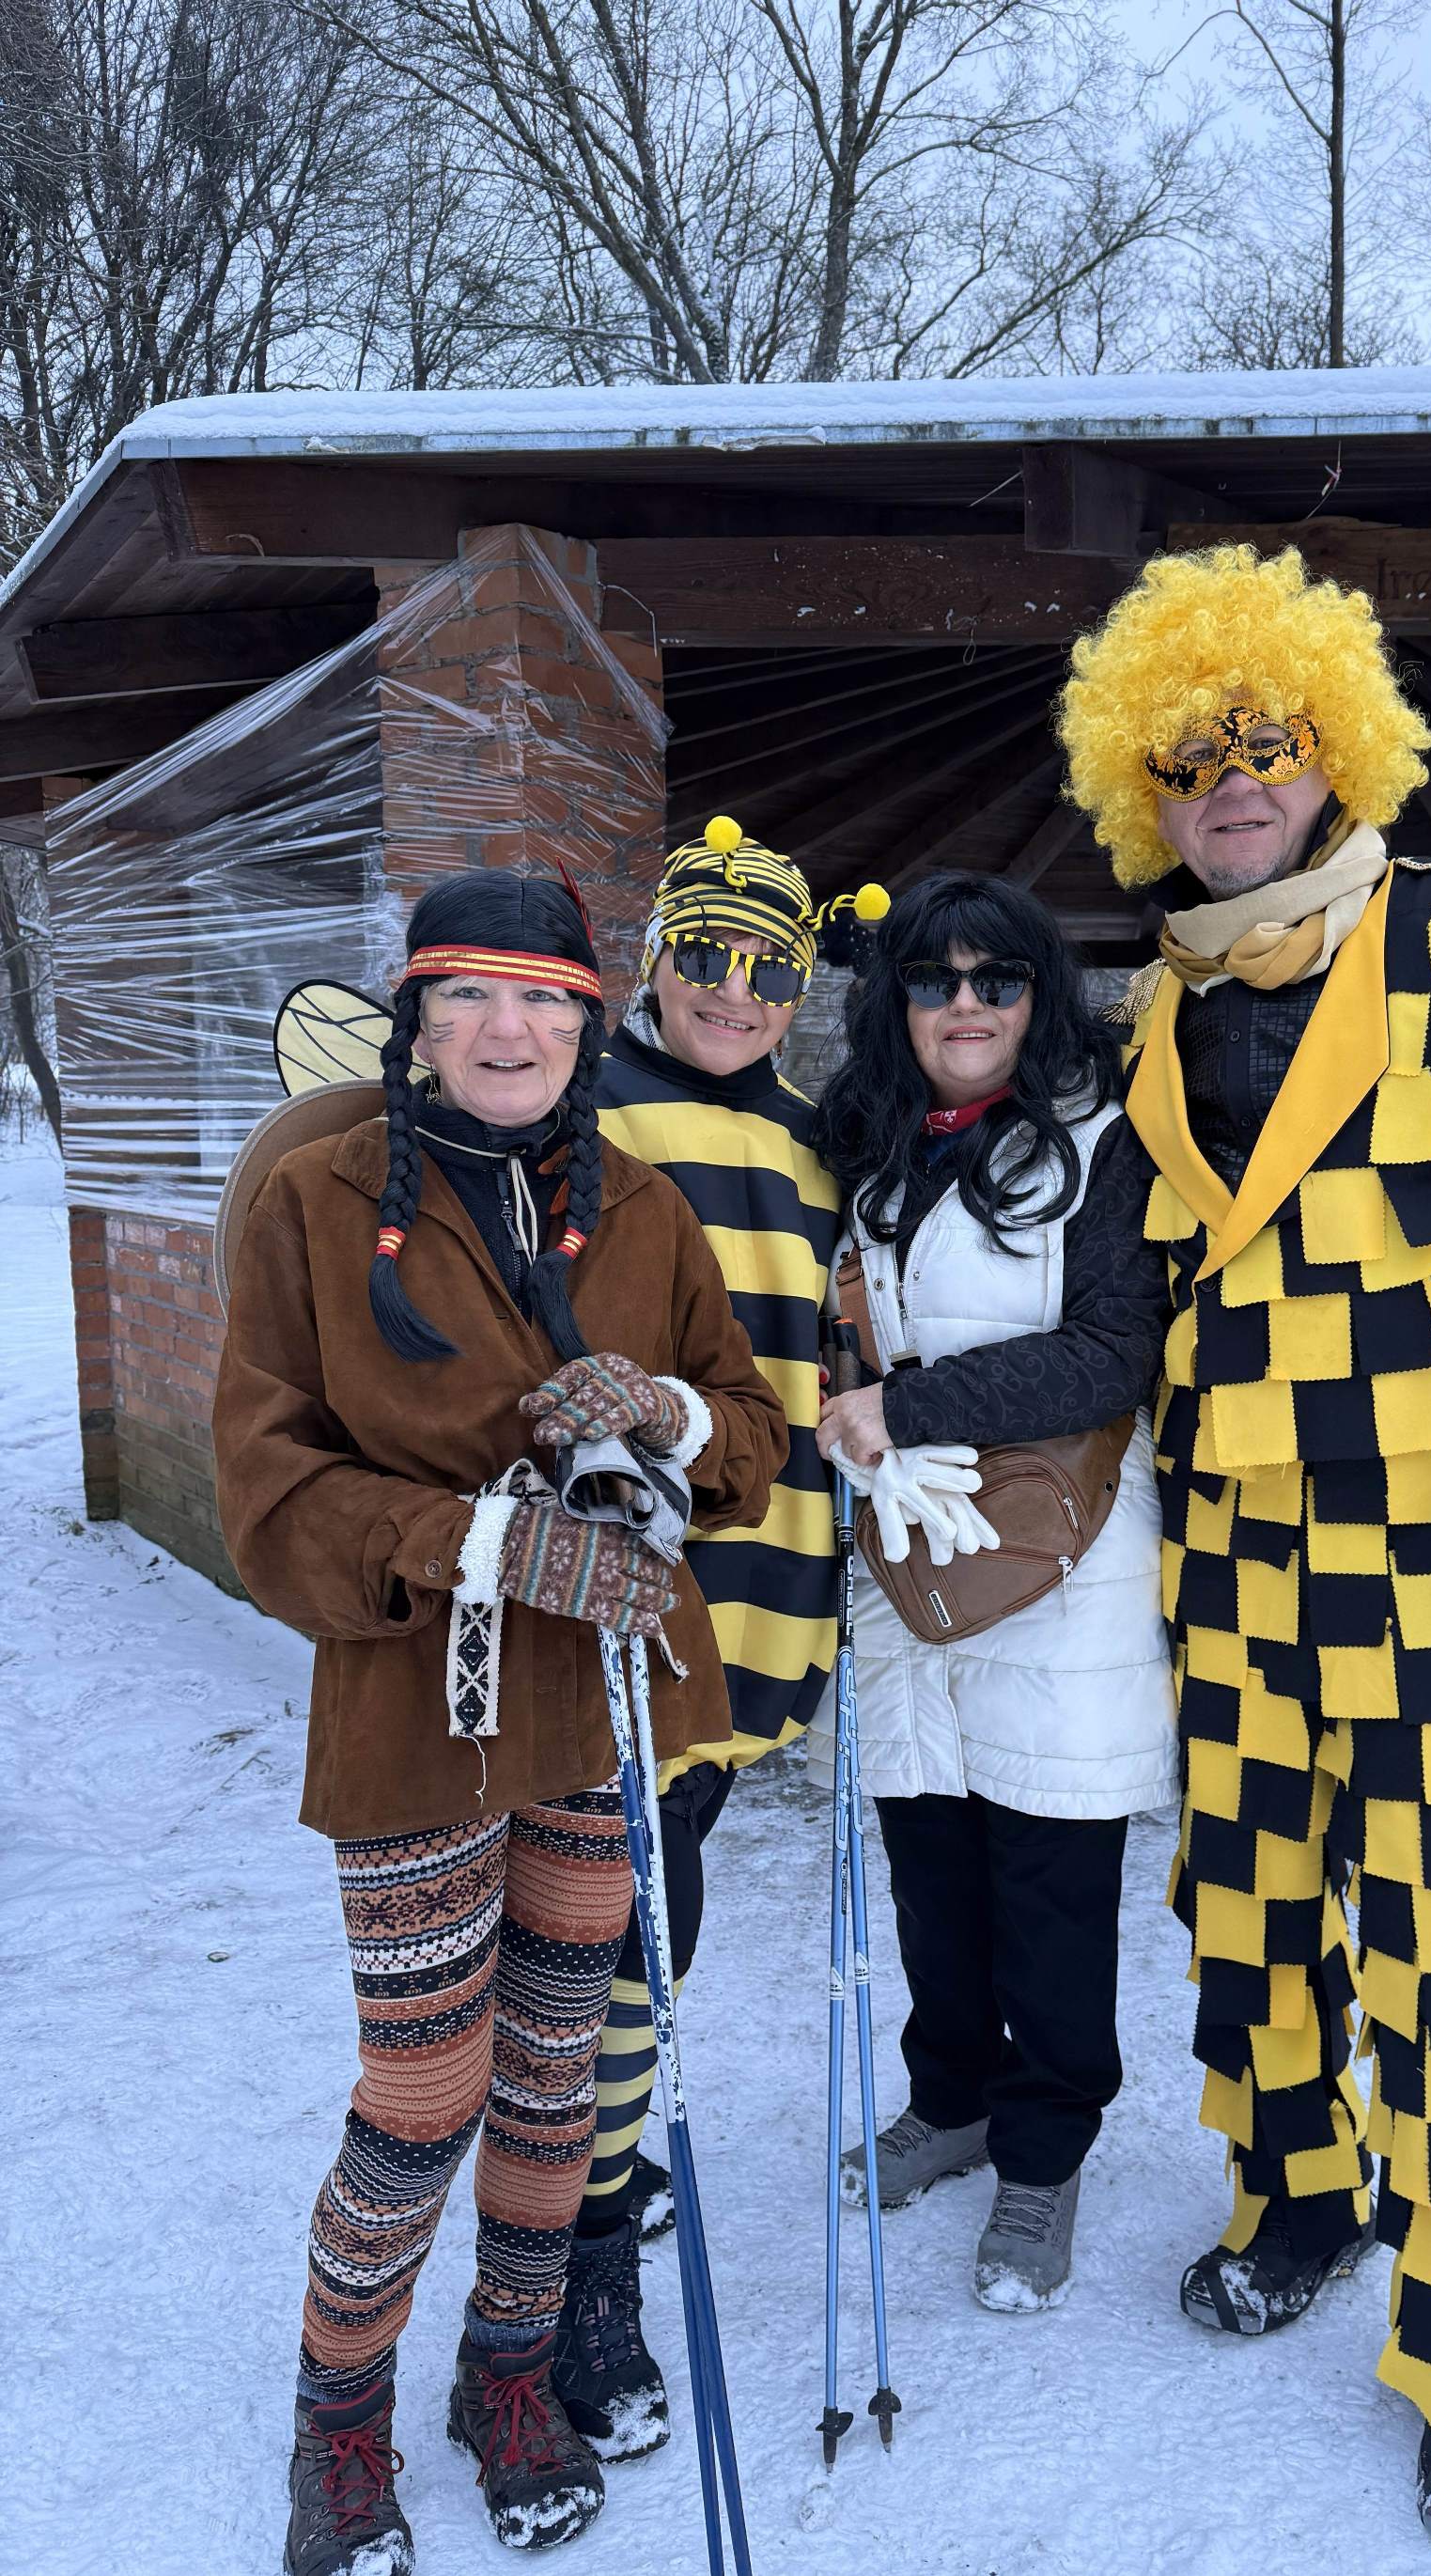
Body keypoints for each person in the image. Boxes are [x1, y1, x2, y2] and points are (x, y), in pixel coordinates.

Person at [1058, 544, 1431, 2560]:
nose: (1227, 779)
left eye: (1263, 739)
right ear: (1140, 784)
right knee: (1244, 1911)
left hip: (1429, 1546)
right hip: (1223, 1549)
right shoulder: (1159, 1000)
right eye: (1183, 753)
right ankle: (1299, 2194)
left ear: (1334, 744)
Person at [211, 871, 785, 2576]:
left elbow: (751, 1430)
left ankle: (509, 2374)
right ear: (416, 1017)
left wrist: (666, 1413)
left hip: (602, 1700)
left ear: (587, 1024)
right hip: (417, 1705)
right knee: (424, 2086)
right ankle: (339, 2427)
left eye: (543, 997)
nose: (508, 1028)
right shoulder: (315, 1196)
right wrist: (477, 1538)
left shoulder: (641, 1202)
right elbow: (265, 1491)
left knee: (554, 2071)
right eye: (467, 993)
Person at [554, 818, 881, 2461]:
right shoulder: (579, 1108)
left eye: (769, 968)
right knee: (617, 1912)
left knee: (659, 1889)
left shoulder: (821, 1146)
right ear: (654, 957)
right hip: (618, 1576)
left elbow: (840, 1342)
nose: (733, 991)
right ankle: (580, 2239)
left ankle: (600, 2153)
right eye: (704, 956)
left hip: (767, 1574)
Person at [811, 871, 1177, 2314]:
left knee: (1050, 1883)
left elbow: (1112, 1347)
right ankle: (951, 2099)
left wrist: (906, 1406)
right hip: (911, 1561)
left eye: (997, 978)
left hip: (1060, 1568)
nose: (965, 1004)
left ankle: (1044, 2150)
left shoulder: (1100, 1143)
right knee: (934, 1869)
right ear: (895, 1002)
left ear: (1040, 998)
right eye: (933, 979)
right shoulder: (873, 1150)